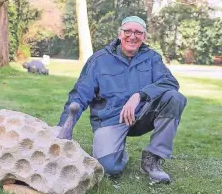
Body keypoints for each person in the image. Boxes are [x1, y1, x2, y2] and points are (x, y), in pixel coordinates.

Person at [57, 16, 187, 183]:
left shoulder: (152, 58)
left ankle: (152, 159)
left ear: (144, 37)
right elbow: (79, 96)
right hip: (110, 120)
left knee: (174, 98)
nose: (132, 36)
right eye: (128, 31)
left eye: (138, 32)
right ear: (119, 34)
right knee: (109, 168)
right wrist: (61, 129)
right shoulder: (99, 60)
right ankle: (119, 153)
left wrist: (139, 95)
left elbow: (170, 82)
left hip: (142, 115)